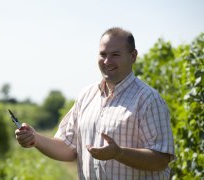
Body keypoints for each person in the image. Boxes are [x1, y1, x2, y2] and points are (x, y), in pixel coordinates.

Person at [15, 27, 175, 179]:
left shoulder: (148, 99)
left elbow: (161, 159)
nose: (107, 61)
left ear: (133, 56)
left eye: (115, 55)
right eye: (103, 54)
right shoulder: (87, 95)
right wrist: (34, 138)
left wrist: (118, 153)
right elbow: (68, 147)